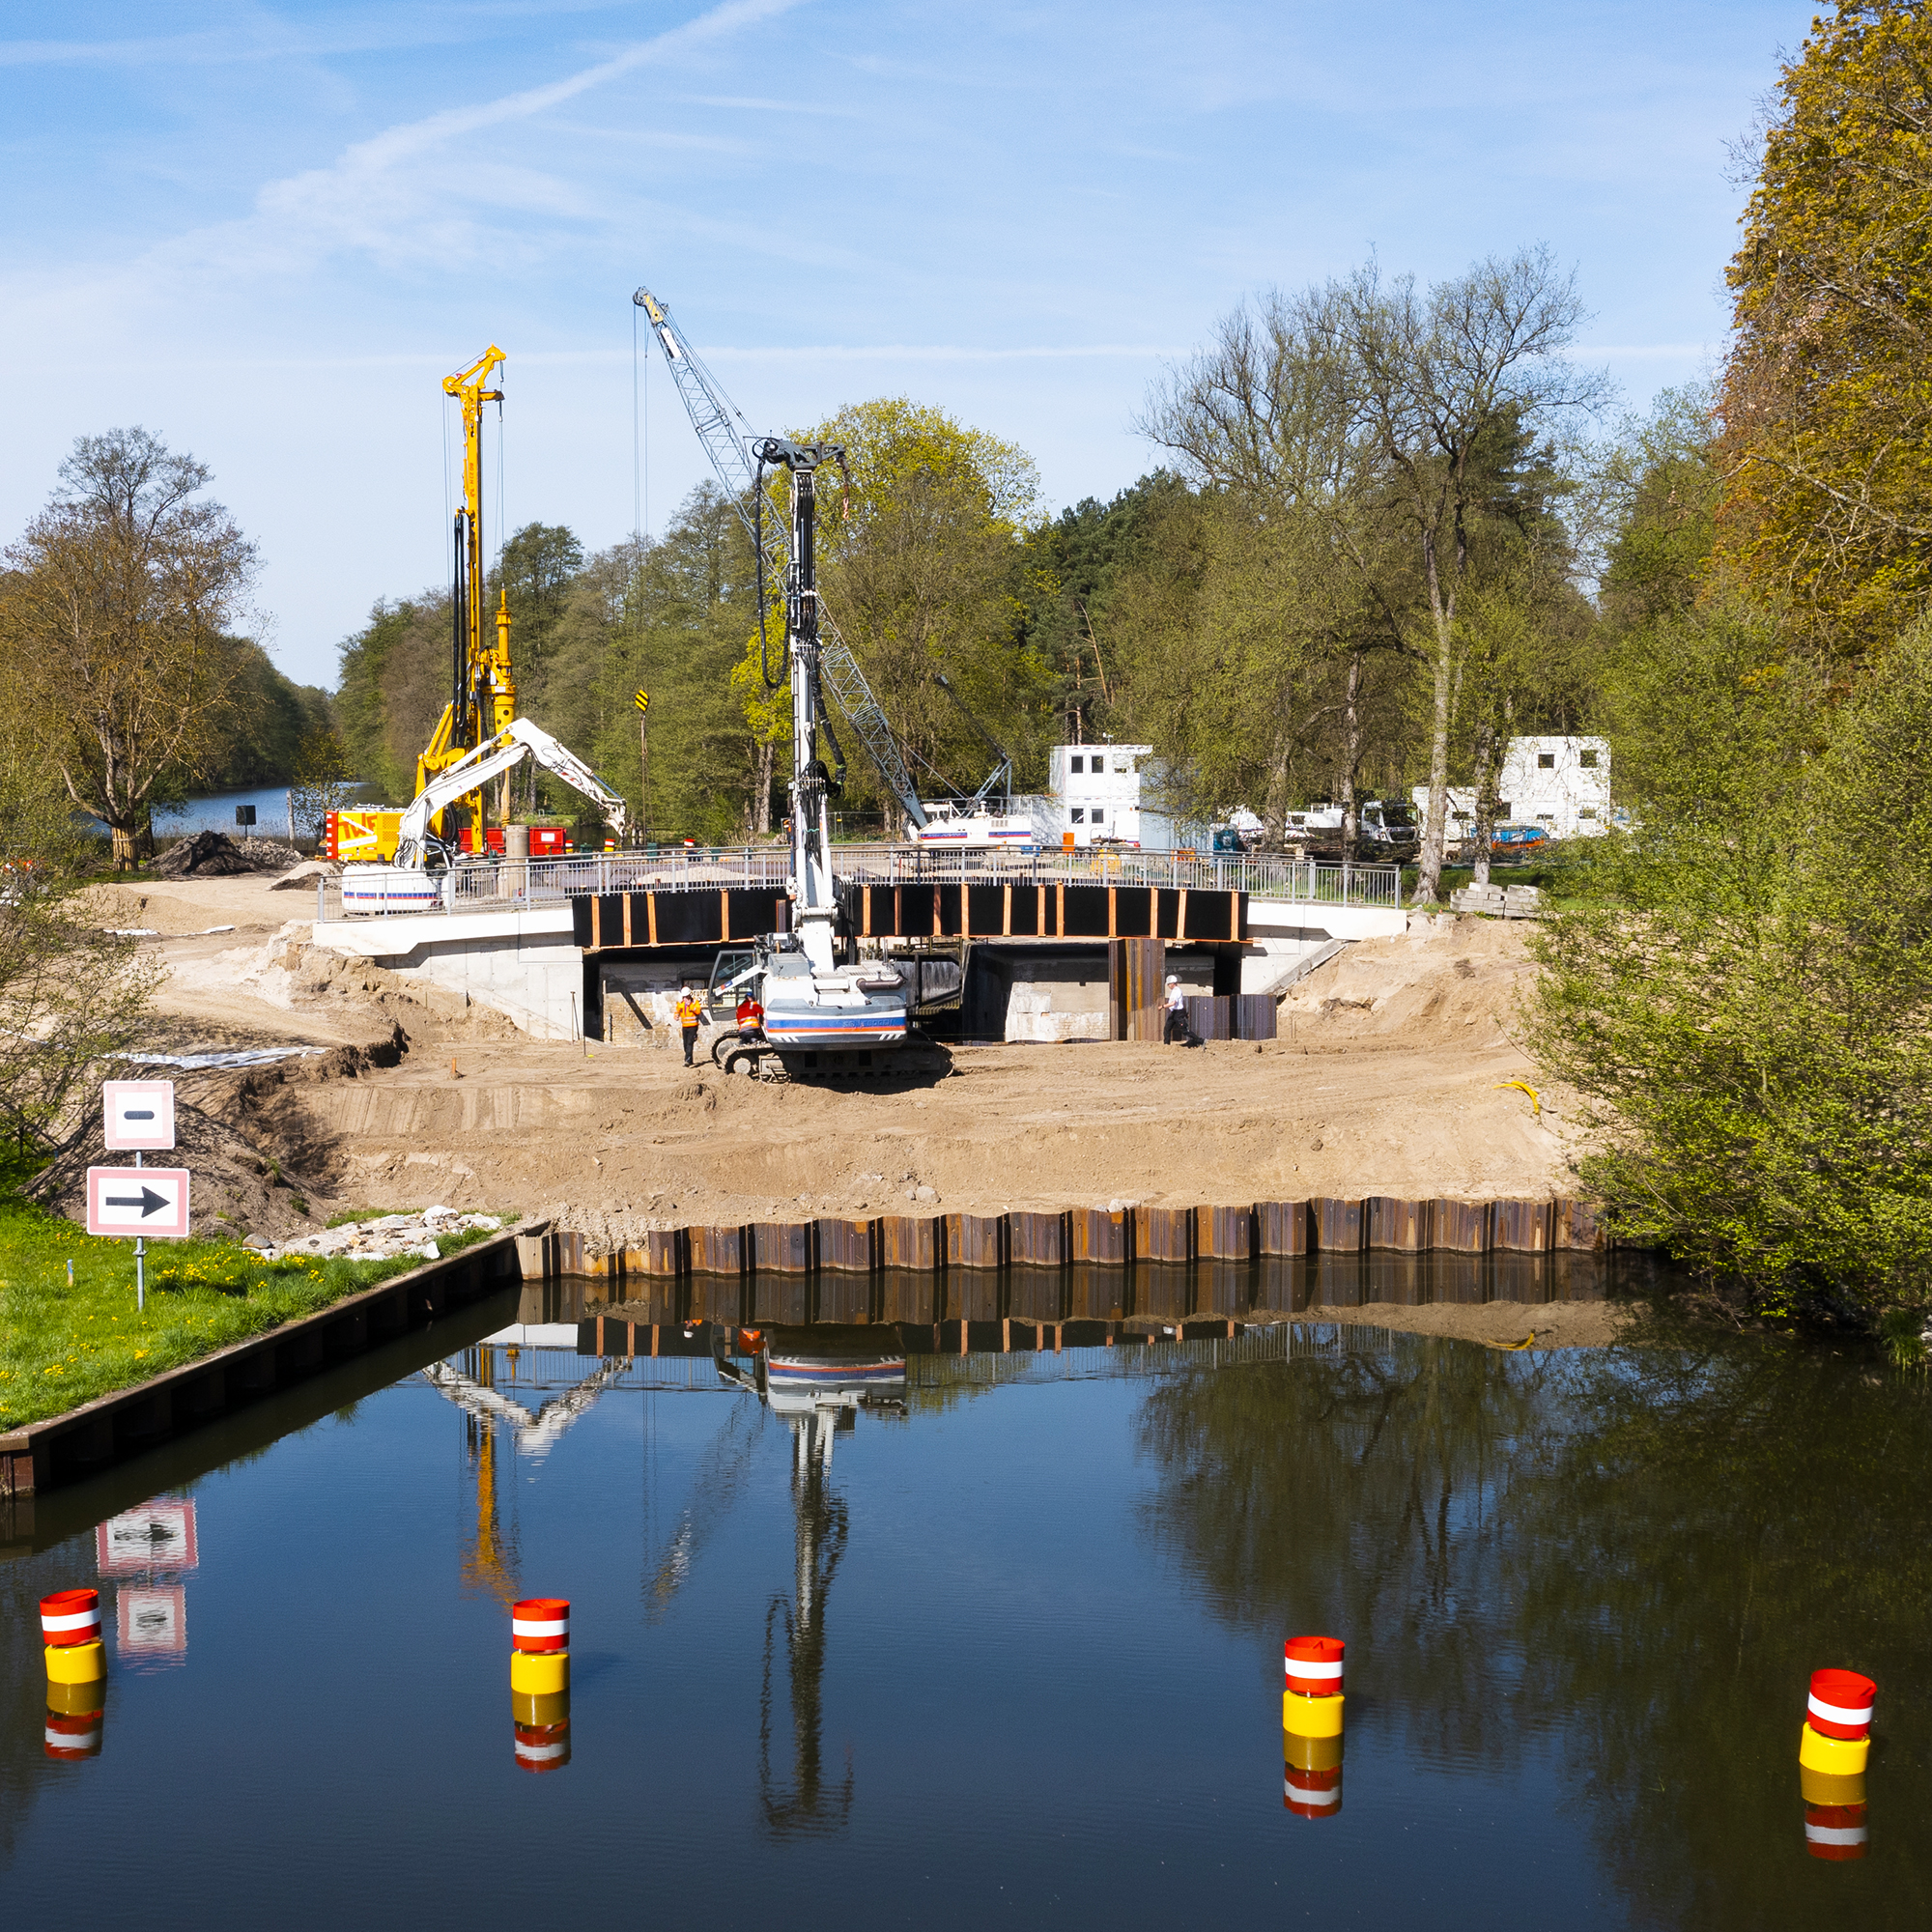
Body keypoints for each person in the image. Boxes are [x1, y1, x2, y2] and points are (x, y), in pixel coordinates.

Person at [674, 983, 705, 1065]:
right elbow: (677, 1011)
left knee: (689, 1043)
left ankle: (687, 1061)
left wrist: (690, 1006)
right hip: (684, 1027)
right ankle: (690, 1060)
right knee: (685, 1044)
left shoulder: (694, 1002)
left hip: (693, 1026)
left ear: (689, 995)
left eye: (686, 996)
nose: (685, 998)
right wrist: (676, 1016)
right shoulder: (681, 1003)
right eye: (684, 997)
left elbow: (698, 1011)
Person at [1163, 974, 1189, 1045]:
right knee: (1167, 1028)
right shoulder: (1174, 991)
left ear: (1172, 984)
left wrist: (1163, 1006)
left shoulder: (1176, 991)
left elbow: (1173, 1003)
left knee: (1184, 1031)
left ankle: (1199, 1040)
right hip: (1174, 1012)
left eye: (1169, 984)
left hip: (1178, 1012)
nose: (1168, 986)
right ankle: (1166, 1044)